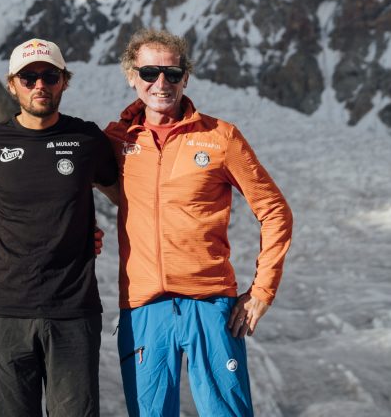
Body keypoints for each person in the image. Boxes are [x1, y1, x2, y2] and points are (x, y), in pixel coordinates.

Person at [102, 28, 293, 417]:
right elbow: (57, 189)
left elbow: (274, 210)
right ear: (131, 76)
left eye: (172, 74)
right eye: (150, 72)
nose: (161, 83)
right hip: (143, 310)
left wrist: (262, 291)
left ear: (185, 78)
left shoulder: (220, 138)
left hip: (211, 305)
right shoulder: (115, 140)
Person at [0, 37, 119, 417]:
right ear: (12, 84)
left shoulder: (86, 140)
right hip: (4, 312)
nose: (40, 86)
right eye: (29, 78)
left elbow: (128, 199)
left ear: (65, 80)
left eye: (50, 76)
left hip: (73, 310)